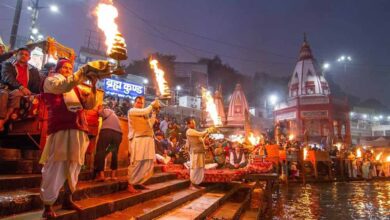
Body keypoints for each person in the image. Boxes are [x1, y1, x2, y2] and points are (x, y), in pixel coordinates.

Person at [39, 58, 102, 218]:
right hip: (61, 128)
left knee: (75, 165)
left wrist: (94, 86)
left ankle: (68, 198)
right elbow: (63, 86)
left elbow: (88, 105)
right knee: (56, 165)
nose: (68, 70)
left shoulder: (76, 88)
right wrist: (82, 72)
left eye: (70, 68)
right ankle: (48, 205)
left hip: (79, 129)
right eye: (65, 67)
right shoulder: (51, 81)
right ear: (58, 69)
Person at [0, 47, 41, 131]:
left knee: (17, 93)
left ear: (29, 58)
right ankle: (2, 121)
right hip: (7, 88)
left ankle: (2, 123)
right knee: (3, 94)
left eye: (26, 55)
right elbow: (7, 77)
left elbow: (36, 85)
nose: (23, 56)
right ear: (16, 55)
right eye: (21, 54)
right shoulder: (8, 65)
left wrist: (34, 93)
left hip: (23, 92)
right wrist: (21, 87)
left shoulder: (33, 70)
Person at [127, 96, 160, 193]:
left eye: (141, 103)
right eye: (138, 102)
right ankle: (130, 184)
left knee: (147, 162)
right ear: (134, 103)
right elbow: (145, 111)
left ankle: (138, 181)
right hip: (138, 140)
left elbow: (150, 124)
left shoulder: (144, 114)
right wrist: (152, 105)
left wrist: (154, 112)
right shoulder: (132, 111)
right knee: (137, 162)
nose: (139, 104)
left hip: (148, 140)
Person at [94, 104, 123, 181]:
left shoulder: (108, 111)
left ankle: (101, 175)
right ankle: (113, 175)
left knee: (100, 151)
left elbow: (101, 113)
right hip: (118, 135)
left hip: (107, 132)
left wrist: (99, 109)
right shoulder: (115, 116)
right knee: (114, 153)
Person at [186, 118, 213, 189]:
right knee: (194, 167)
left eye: (194, 122)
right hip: (195, 152)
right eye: (192, 123)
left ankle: (196, 184)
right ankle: (192, 184)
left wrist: (206, 135)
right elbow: (200, 133)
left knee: (200, 168)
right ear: (188, 124)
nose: (194, 124)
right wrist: (207, 130)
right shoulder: (189, 131)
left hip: (200, 152)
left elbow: (201, 140)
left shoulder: (194, 132)